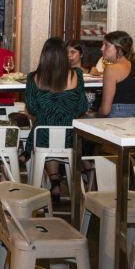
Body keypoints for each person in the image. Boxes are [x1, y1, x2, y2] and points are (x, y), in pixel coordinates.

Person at [24, 38, 88, 201]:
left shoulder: (33, 78)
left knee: (46, 128)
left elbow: (31, 108)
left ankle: (53, 181)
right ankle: (55, 181)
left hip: (43, 135)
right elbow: (82, 107)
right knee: (56, 131)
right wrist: (65, 114)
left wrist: (48, 114)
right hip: (70, 136)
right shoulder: (77, 75)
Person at [94, 31, 135, 117]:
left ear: (119, 49)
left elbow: (105, 111)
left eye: (106, 45)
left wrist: (94, 115)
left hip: (117, 119)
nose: (101, 48)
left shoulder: (111, 69)